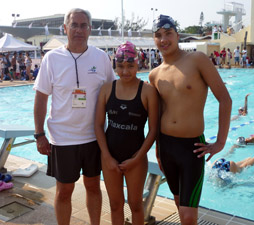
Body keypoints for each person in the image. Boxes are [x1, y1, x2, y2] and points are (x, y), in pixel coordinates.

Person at [33, 8, 115, 225]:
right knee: (64, 191)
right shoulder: (52, 58)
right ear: (65, 28)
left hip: (93, 137)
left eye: (83, 25)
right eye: (74, 25)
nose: (79, 29)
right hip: (63, 138)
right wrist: (39, 134)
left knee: (93, 186)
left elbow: (115, 93)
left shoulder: (101, 57)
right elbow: (41, 99)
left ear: (90, 29)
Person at [149, 15, 232, 225]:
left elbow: (225, 99)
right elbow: (159, 114)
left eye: (168, 34)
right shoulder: (154, 74)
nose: (163, 39)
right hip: (167, 147)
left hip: (191, 147)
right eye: (158, 35)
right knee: (179, 206)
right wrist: (158, 150)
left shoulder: (197, 60)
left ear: (177, 35)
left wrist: (220, 142)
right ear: (154, 40)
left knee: (187, 216)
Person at [95, 41, 158, 224]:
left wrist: (138, 158)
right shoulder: (107, 89)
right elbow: (98, 125)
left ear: (138, 64)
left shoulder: (147, 91)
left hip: (136, 158)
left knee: (136, 204)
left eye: (130, 66)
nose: (125, 71)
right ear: (115, 66)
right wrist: (106, 156)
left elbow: (153, 130)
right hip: (109, 157)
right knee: (115, 204)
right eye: (120, 66)